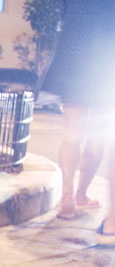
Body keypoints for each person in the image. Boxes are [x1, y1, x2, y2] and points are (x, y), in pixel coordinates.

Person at [41, 0, 115, 230]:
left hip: (74, 56)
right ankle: (82, 195)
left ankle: (67, 198)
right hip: (105, 55)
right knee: (98, 135)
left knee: (72, 133)